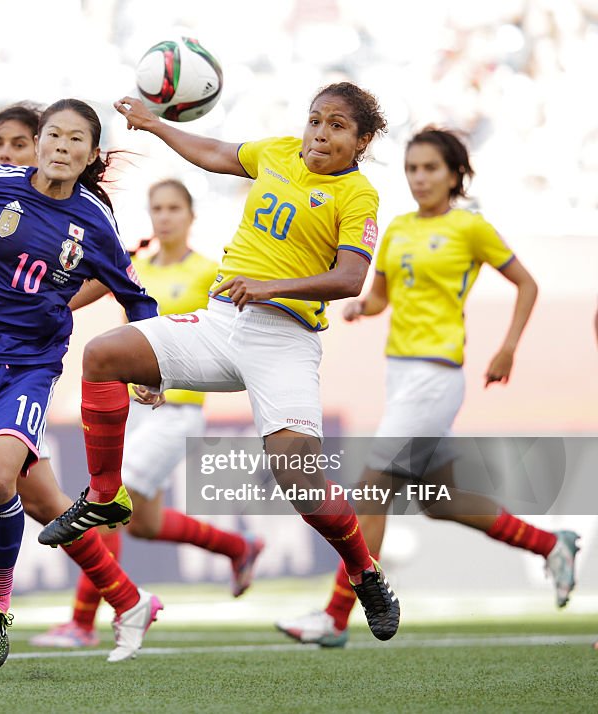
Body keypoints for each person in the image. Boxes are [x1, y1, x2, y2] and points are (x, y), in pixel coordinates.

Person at [40, 82, 402, 643]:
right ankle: (105, 495)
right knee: (104, 355)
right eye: (315, 119)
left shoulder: (358, 195)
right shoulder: (278, 152)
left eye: (336, 126)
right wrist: (156, 124)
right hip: (221, 322)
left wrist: (269, 287)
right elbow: (217, 154)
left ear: (362, 141)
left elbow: (351, 278)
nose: (319, 134)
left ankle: (364, 573)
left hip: (285, 338)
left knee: (298, 477)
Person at [275, 127, 579, 647]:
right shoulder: (395, 229)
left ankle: (335, 615)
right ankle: (551, 544)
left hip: (436, 379)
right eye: (413, 168)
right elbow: (380, 297)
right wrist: (359, 307)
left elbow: (528, 284)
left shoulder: (470, 227)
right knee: (442, 501)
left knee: (370, 494)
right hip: (401, 378)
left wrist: (507, 348)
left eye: (431, 168)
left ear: (455, 174)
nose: (419, 178)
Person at [0, 103, 163, 664]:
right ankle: (126, 598)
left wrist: (149, 366)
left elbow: (129, 291)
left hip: (28, 365)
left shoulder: (91, 221)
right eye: (2, 142)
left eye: (74, 140)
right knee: (2, 507)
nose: (9, 153)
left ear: (90, 154)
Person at [31, 179, 262, 648]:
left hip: (177, 408)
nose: (165, 216)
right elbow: (78, 297)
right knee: (145, 522)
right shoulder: (132, 266)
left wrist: (171, 378)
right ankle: (240, 547)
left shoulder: (208, 272)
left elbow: (217, 340)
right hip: (131, 405)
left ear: (191, 215)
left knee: (108, 499)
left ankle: (81, 622)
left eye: (175, 207)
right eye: (157, 207)